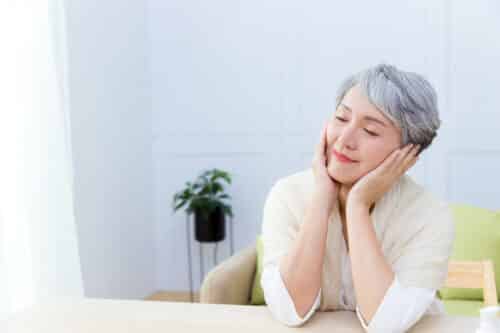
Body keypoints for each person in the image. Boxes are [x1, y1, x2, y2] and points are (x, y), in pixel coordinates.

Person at [260, 63, 455, 332]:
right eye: (341, 119)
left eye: (371, 131)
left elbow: (385, 323)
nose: (344, 140)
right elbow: (289, 310)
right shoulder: (288, 195)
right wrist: (321, 198)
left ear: (407, 154)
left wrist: (357, 205)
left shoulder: (430, 215)